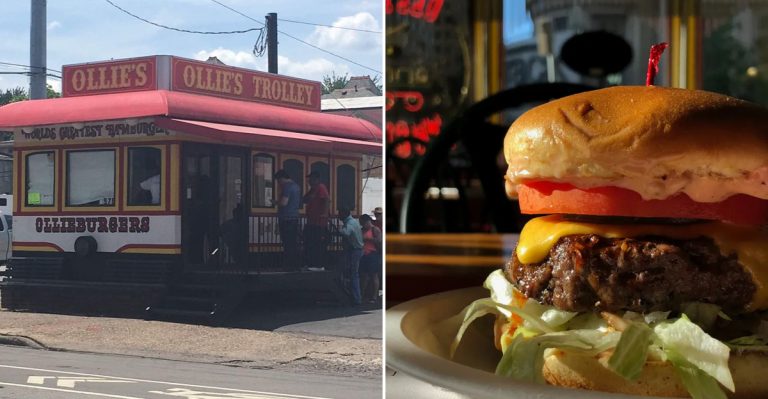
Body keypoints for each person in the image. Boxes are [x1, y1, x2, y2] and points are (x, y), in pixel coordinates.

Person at [302, 171, 329, 271]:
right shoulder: (313, 190)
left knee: (316, 244)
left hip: (318, 222)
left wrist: (324, 213)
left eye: (311, 179)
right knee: (309, 243)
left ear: (317, 179)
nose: (309, 181)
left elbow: (326, 199)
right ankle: (310, 263)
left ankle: (318, 265)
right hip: (311, 221)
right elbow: (304, 199)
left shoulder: (321, 187)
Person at [275, 170, 301, 270]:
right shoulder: (296, 186)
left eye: (278, 180)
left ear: (282, 178)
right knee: (293, 242)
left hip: (286, 218)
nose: (278, 183)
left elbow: (284, 203)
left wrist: (275, 202)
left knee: (287, 243)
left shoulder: (287, 187)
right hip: (294, 217)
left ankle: (288, 265)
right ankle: (295, 265)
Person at [338, 207, 364, 305]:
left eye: (340, 213)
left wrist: (340, 228)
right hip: (356, 249)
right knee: (352, 273)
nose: (339, 215)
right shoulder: (354, 221)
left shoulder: (349, 223)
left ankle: (356, 298)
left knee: (353, 274)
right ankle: (355, 296)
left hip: (355, 250)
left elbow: (346, 233)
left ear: (344, 214)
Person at [359, 214, 382, 304]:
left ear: (368, 222)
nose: (362, 225)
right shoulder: (362, 230)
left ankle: (374, 296)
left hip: (373, 254)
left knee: (374, 275)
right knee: (364, 276)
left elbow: (379, 241)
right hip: (364, 254)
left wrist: (369, 239)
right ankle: (362, 294)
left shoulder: (375, 229)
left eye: (363, 223)